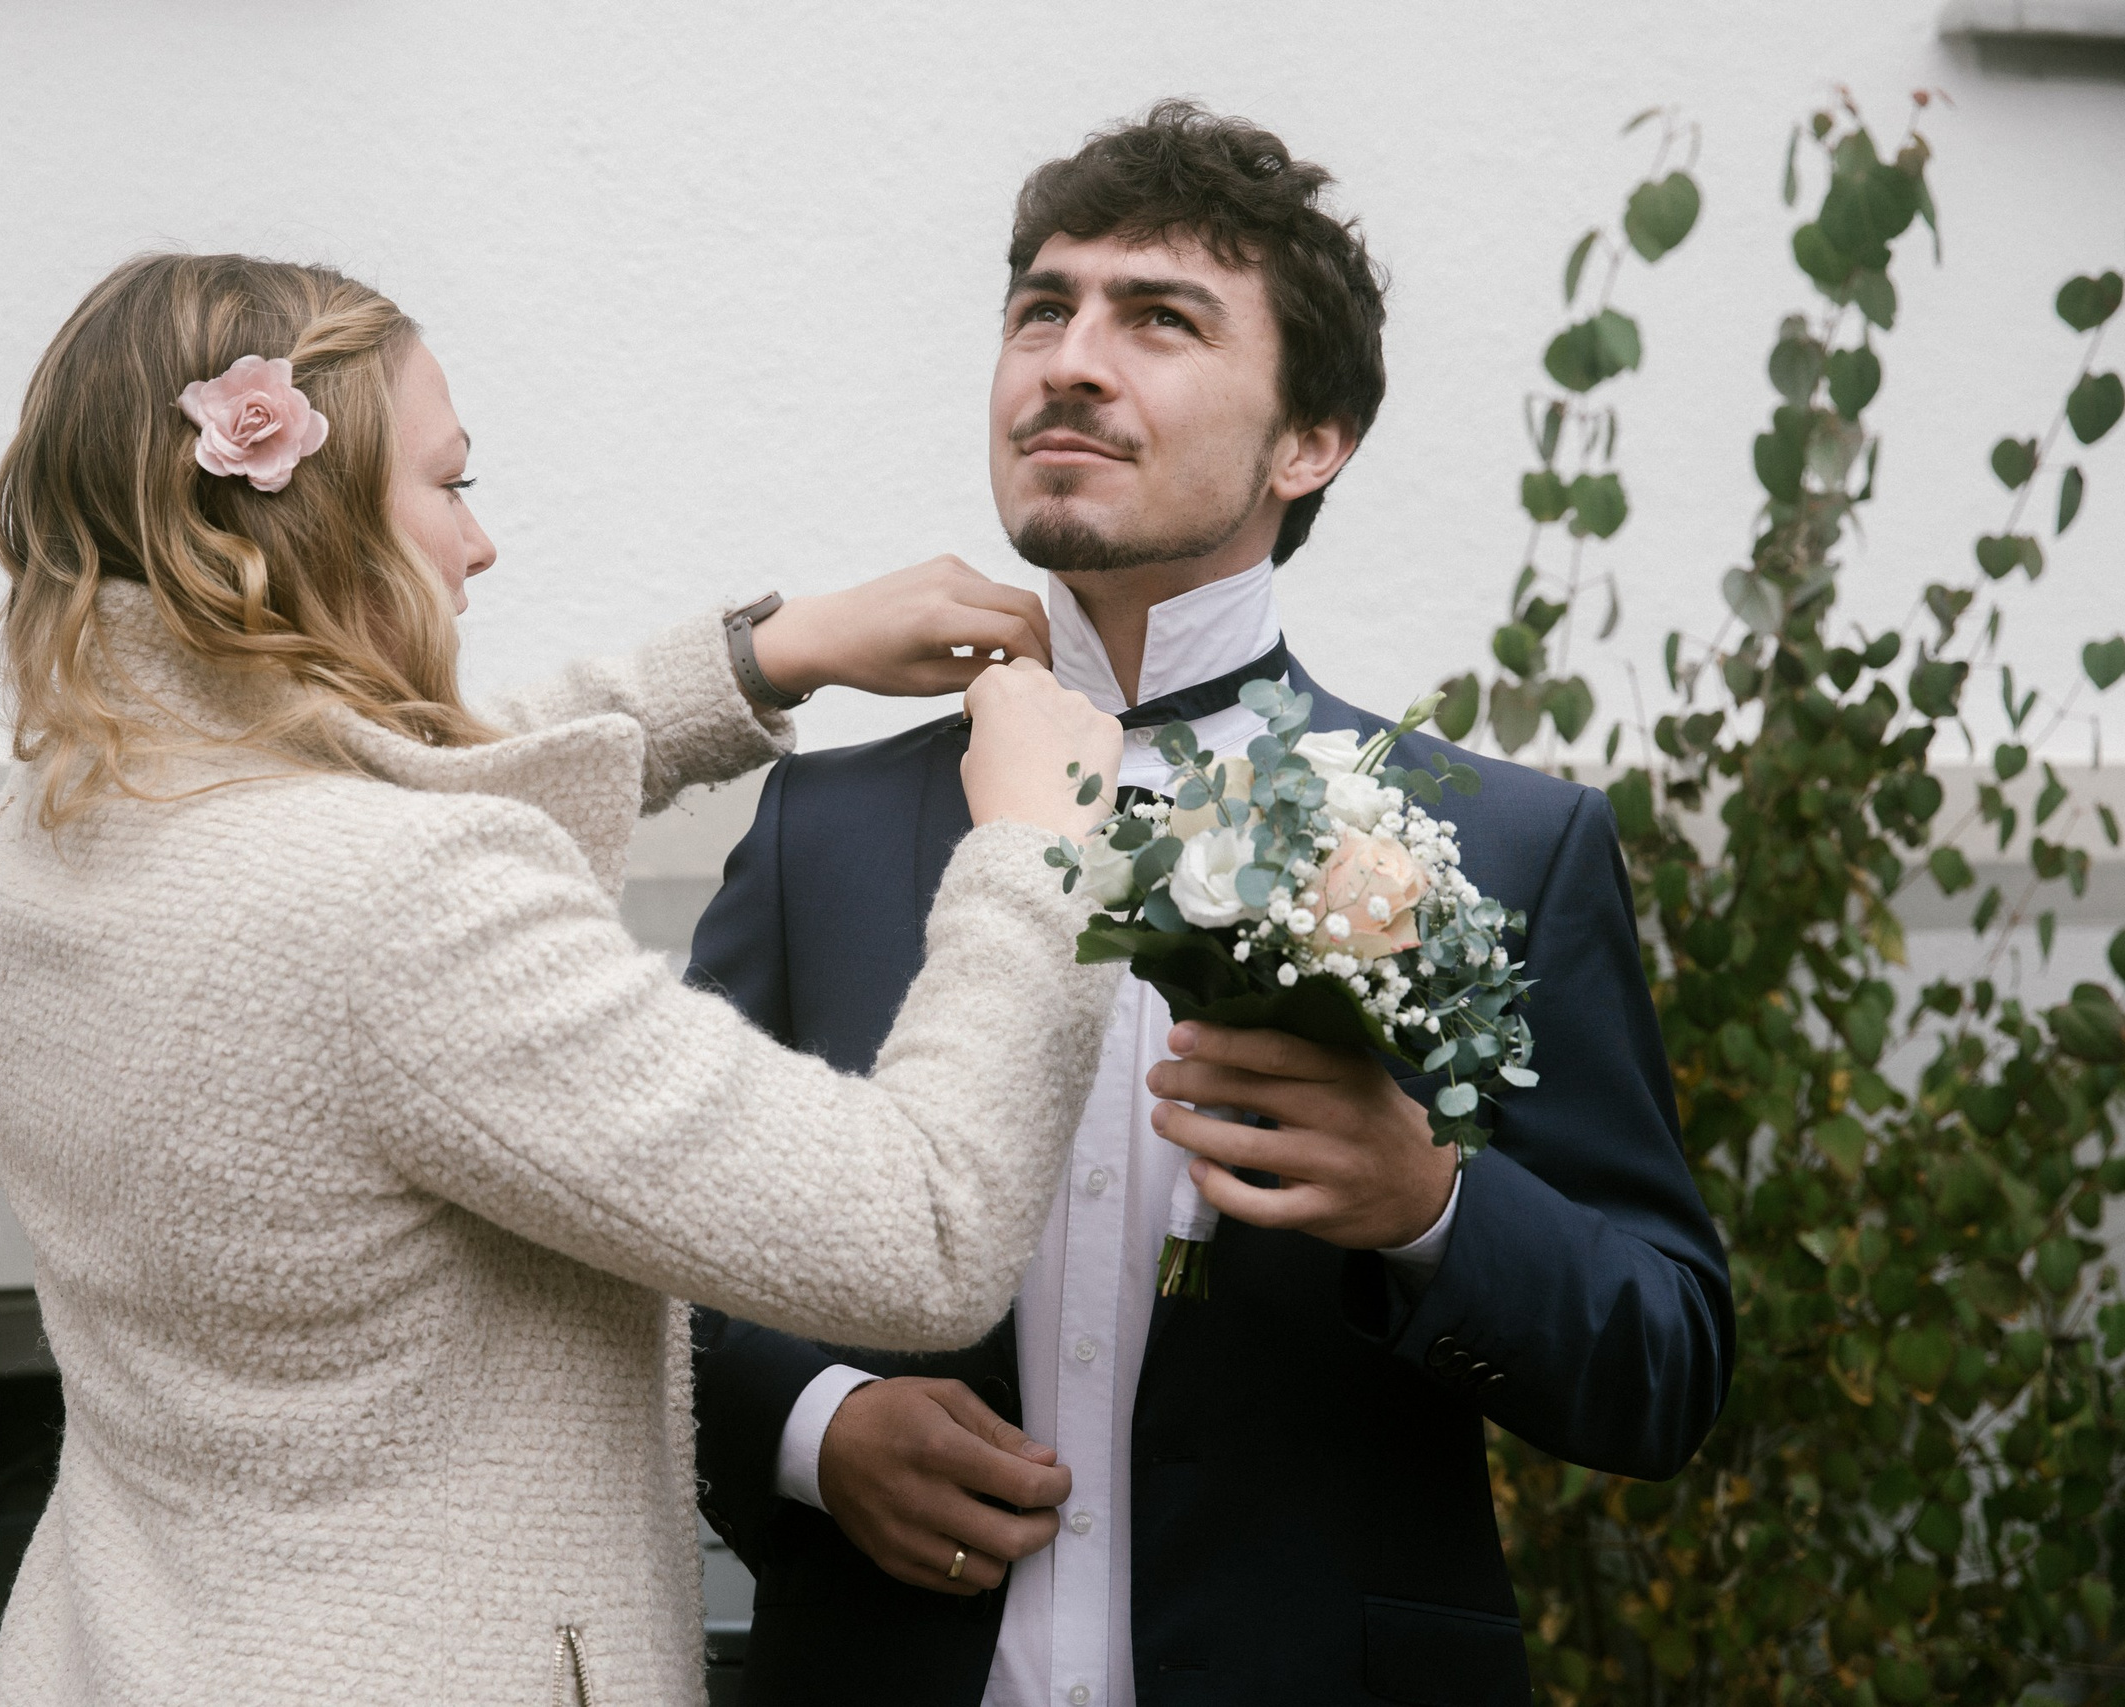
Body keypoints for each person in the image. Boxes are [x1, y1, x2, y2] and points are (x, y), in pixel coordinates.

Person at [0, 251, 1130, 1707]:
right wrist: (1036, 853)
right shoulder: (402, 906)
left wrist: (763, 658)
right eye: (450, 486)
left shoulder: (61, 816)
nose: (482, 543)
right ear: (303, 518)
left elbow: (381, 763)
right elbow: (923, 1229)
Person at [688, 102, 1733, 1706]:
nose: (1071, 360)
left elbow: (1666, 1370)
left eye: (1158, 318)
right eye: (1044, 307)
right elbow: (645, 1271)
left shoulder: (1512, 844)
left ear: (1309, 442)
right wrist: (818, 1430)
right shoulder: (818, 828)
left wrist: (1433, 1207)